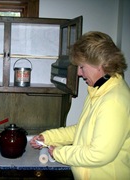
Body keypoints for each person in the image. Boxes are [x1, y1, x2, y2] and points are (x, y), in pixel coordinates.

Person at [30, 31, 130, 180]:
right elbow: (82, 130)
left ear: (100, 65)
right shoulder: (99, 91)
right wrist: (48, 137)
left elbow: (99, 154)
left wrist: (58, 153)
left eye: (82, 67)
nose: (78, 73)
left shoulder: (113, 101)